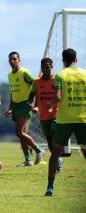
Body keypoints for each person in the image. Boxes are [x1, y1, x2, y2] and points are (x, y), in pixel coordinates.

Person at [44, 48, 86, 196]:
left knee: (55, 153)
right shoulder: (84, 74)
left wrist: (50, 104)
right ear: (76, 59)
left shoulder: (60, 75)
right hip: (83, 118)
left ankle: (50, 187)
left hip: (65, 119)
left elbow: (58, 97)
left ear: (63, 60)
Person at [6, 51, 45, 166]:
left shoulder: (24, 73)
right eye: (10, 59)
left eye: (14, 59)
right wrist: (10, 108)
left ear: (19, 60)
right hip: (16, 106)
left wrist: (35, 104)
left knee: (19, 132)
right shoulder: (10, 75)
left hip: (24, 105)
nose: (12, 61)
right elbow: (13, 92)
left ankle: (39, 150)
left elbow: (36, 87)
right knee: (22, 133)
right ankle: (28, 160)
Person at [28, 58, 63, 173]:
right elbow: (32, 94)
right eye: (43, 67)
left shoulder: (57, 80)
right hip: (43, 116)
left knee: (54, 135)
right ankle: (58, 158)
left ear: (52, 67)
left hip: (56, 114)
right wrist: (31, 104)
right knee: (49, 141)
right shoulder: (37, 82)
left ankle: (57, 159)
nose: (45, 69)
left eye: (47, 67)